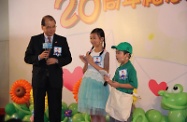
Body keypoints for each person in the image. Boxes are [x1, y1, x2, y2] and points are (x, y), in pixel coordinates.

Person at [24, 15, 72, 122]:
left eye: (54, 26)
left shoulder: (61, 40)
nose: (52, 30)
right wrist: (39, 57)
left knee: (55, 108)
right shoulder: (35, 40)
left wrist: (57, 61)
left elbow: (68, 58)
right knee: (38, 108)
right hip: (39, 79)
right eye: (49, 27)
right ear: (42, 27)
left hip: (55, 79)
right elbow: (27, 58)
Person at [78, 28, 110, 122]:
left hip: (99, 85)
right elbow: (85, 71)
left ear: (101, 39)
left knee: (100, 114)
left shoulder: (105, 53)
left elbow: (106, 71)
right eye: (91, 38)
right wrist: (85, 62)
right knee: (92, 115)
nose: (92, 40)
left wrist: (91, 62)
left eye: (94, 38)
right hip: (88, 84)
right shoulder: (89, 53)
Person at [104, 42, 138, 122]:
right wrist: (108, 80)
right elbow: (115, 83)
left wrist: (119, 85)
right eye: (116, 53)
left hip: (123, 100)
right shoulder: (120, 68)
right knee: (113, 116)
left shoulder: (130, 69)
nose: (116, 55)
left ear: (127, 55)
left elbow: (134, 84)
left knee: (122, 118)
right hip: (116, 99)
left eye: (119, 53)